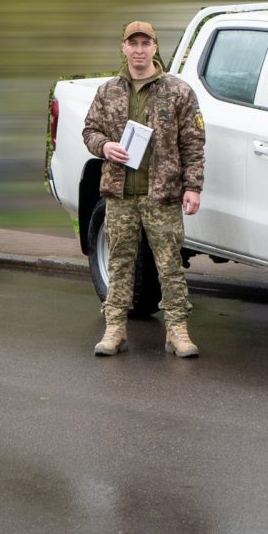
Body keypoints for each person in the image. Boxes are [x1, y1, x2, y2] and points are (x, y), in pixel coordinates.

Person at [80, 20, 206, 357]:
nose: (138, 50)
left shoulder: (178, 92)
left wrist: (192, 187)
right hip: (120, 195)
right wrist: (104, 146)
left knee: (169, 265)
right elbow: (89, 130)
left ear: (155, 48)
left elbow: (193, 142)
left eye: (145, 44)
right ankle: (115, 329)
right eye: (132, 44)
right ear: (123, 47)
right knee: (121, 263)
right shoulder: (108, 92)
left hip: (161, 195)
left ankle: (177, 331)